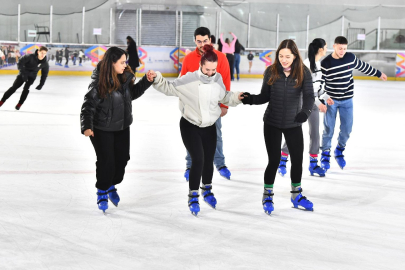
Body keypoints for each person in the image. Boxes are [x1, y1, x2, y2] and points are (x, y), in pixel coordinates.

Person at [148, 44, 244, 216]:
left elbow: (224, 97)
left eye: (213, 69)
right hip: (190, 125)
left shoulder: (218, 79)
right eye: (207, 69)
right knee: (198, 159)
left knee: (208, 161)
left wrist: (237, 97)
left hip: (209, 127)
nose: (210, 73)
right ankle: (193, 195)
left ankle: (207, 190)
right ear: (201, 65)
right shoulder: (189, 79)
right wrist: (156, 78)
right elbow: (169, 88)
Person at [241, 39, 315, 215]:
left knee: (297, 160)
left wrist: (305, 112)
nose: (284, 59)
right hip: (272, 122)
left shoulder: (303, 72)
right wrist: (250, 99)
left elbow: (310, 96)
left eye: (287, 56)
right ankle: (267, 194)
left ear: (295, 56)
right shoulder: (271, 71)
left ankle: (296, 195)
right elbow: (264, 96)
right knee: (274, 160)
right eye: (281, 56)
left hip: (294, 122)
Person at [80, 47, 154, 213]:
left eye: (125, 61)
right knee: (107, 161)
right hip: (101, 128)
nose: (125, 65)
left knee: (122, 160)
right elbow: (88, 106)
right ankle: (102, 191)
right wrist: (86, 126)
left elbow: (131, 94)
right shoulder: (99, 83)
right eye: (121, 62)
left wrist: (146, 81)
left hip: (122, 126)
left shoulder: (125, 77)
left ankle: (111, 184)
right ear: (111, 64)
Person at [319, 36, 387, 171]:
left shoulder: (350, 58)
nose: (342, 51)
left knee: (347, 129)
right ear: (334, 46)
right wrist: (323, 100)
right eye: (340, 48)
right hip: (331, 100)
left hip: (347, 100)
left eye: (344, 48)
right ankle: (325, 154)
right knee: (329, 129)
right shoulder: (326, 63)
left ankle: (339, 150)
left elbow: (364, 67)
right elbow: (320, 84)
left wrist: (378, 73)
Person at [180, 27, 232, 181]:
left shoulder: (221, 57)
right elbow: (183, 82)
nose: (202, 44)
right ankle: (190, 166)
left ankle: (220, 164)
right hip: (193, 107)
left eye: (205, 41)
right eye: (199, 41)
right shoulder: (189, 58)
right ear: (195, 41)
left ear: (210, 40)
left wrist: (224, 105)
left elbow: (226, 81)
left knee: (216, 134)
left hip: (213, 106)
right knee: (191, 136)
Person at [278, 38, 331, 177]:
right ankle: (282, 160)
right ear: (321, 49)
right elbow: (304, 90)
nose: (327, 49)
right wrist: (318, 103)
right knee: (294, 132)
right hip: (301, 103)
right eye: (326, 47)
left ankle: (313, 164)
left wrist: (326, 98)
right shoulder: (305, 65)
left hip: (312, 103)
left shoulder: (318, 65)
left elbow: (317, 88)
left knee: (314, 133)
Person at [0, 46, 49, 110]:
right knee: (14, 88)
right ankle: (1, 101)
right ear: (38, 52)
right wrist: (23, 74)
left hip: (32, 77)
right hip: (23, 73)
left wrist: (41, 84)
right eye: (42, 53)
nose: (43, 55)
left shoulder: (45, 63)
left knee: (26, 89)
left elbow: (44, 74)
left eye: (45, 53)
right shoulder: (30, 57)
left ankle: (19, 104)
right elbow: (20, 62)